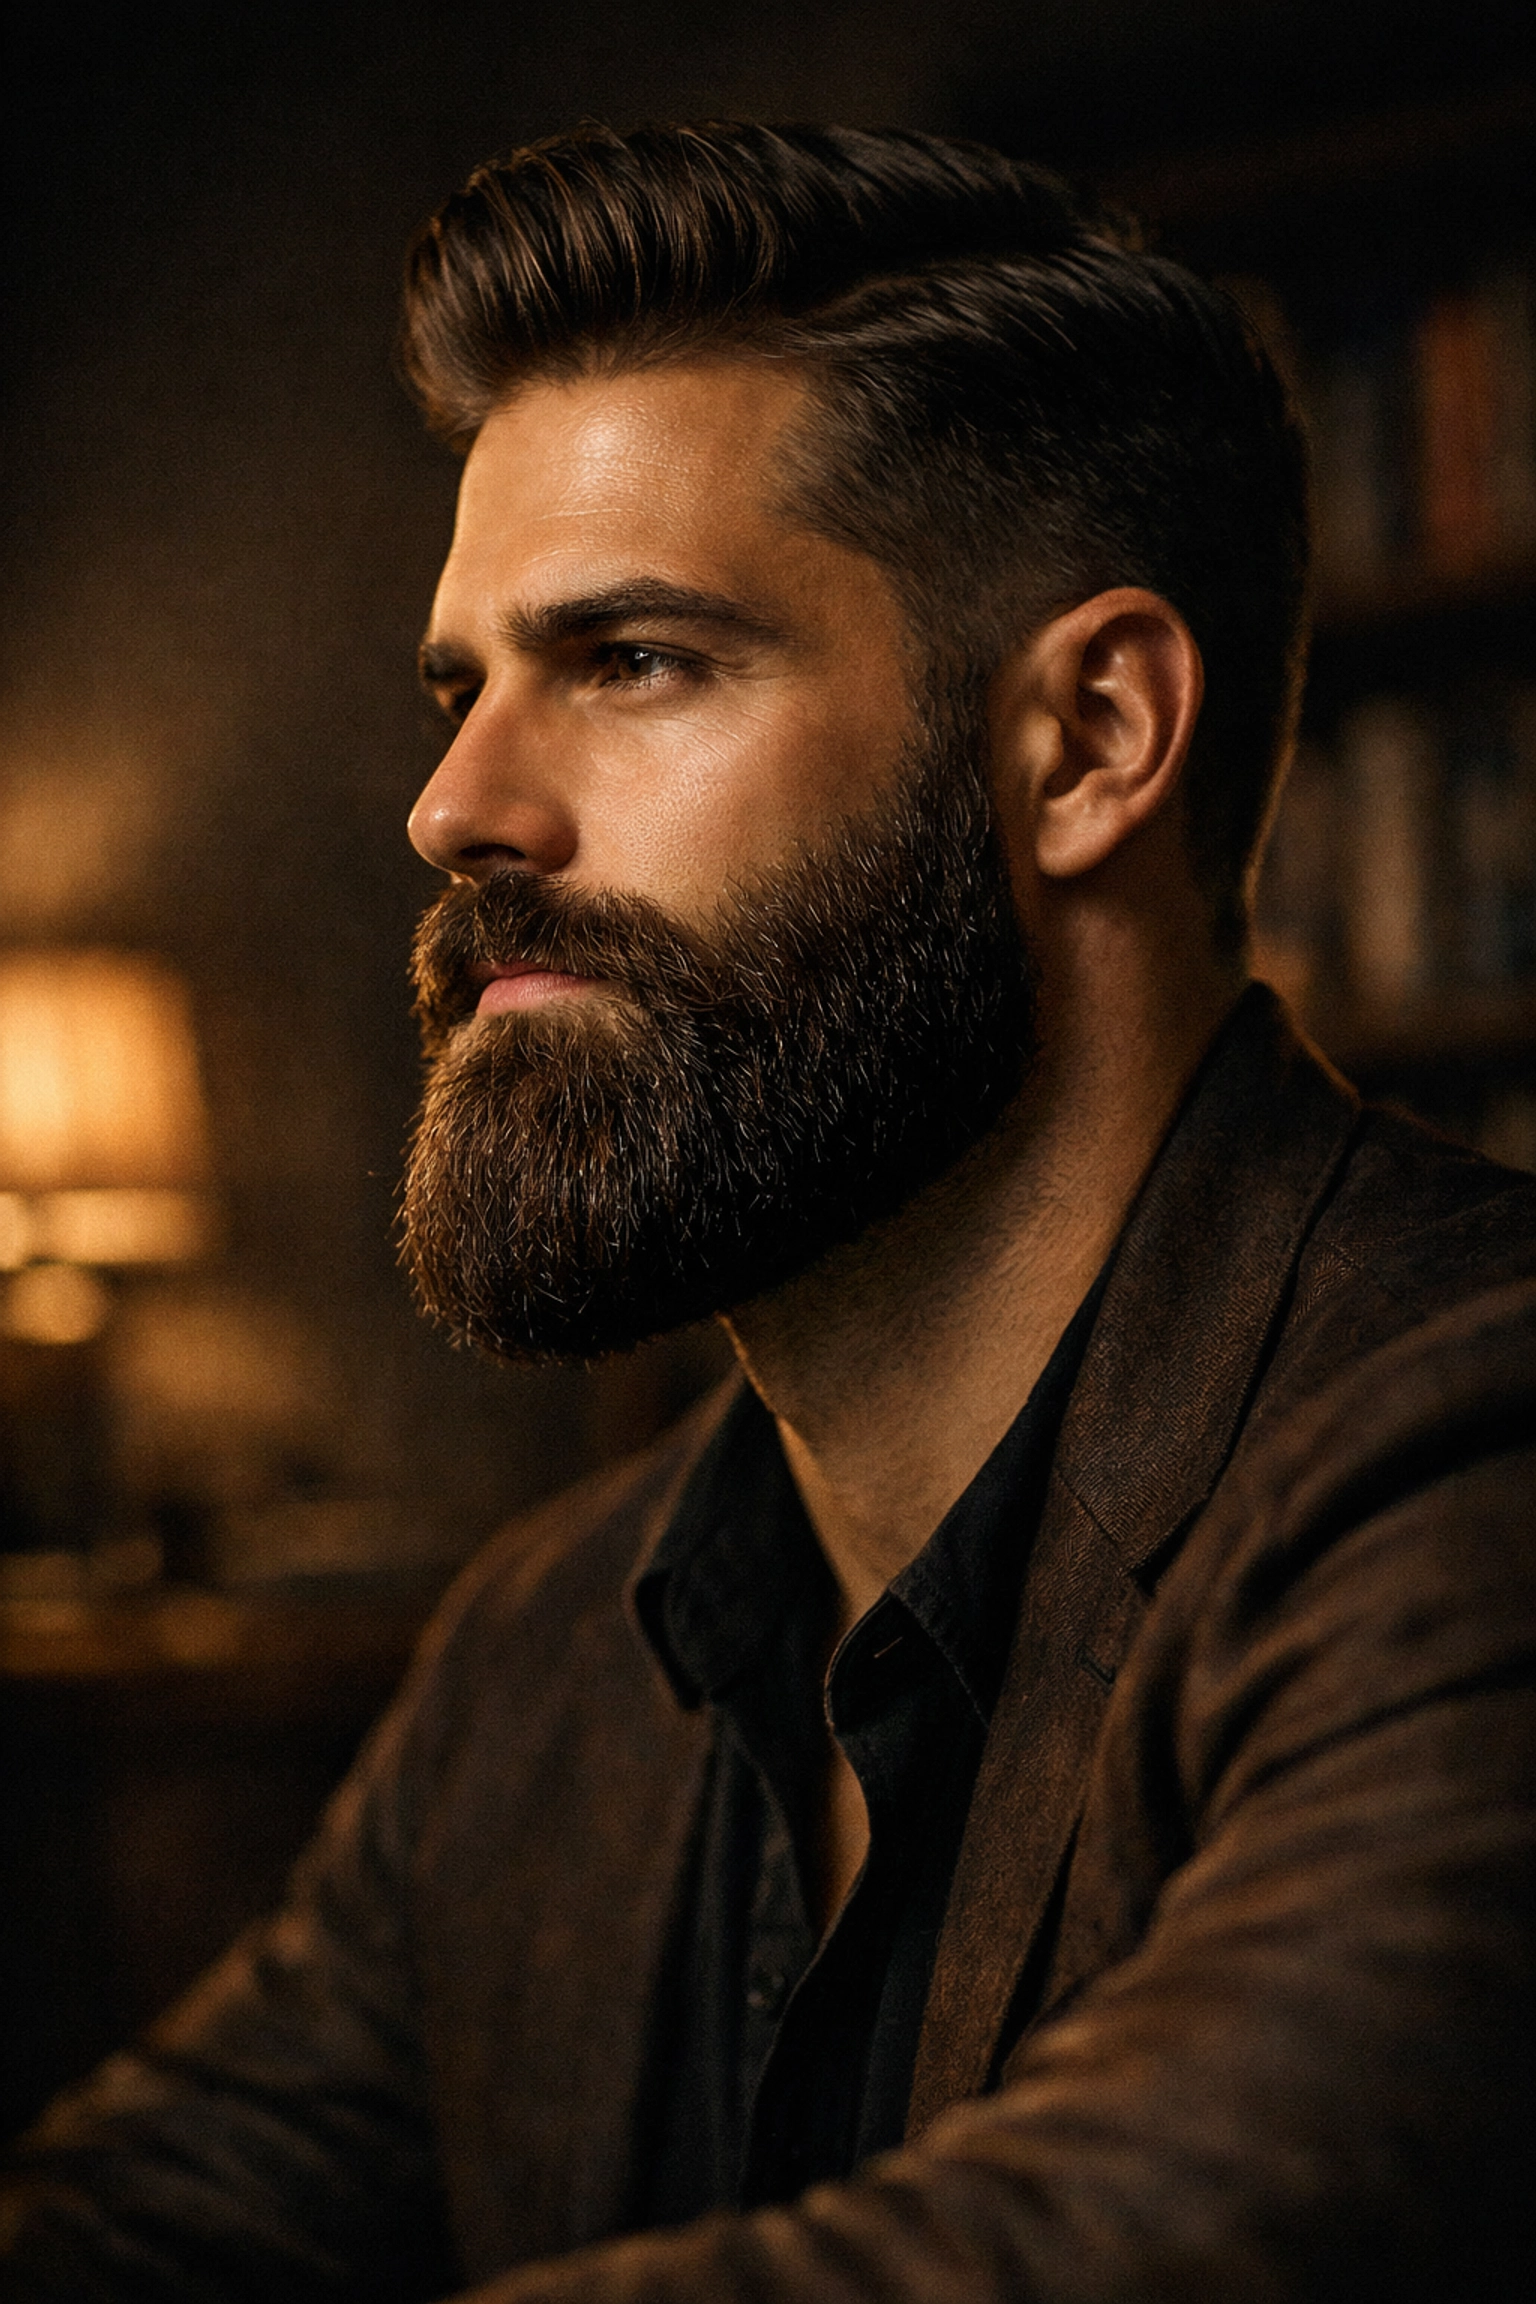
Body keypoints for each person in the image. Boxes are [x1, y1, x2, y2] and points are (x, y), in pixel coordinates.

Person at [4, 121, 1535, 2304]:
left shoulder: (1467, 1465)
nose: (457, 807)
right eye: (466, 687)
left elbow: (1199, 2236)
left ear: (1090, 740)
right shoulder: (543, 1652)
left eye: (633, 660)